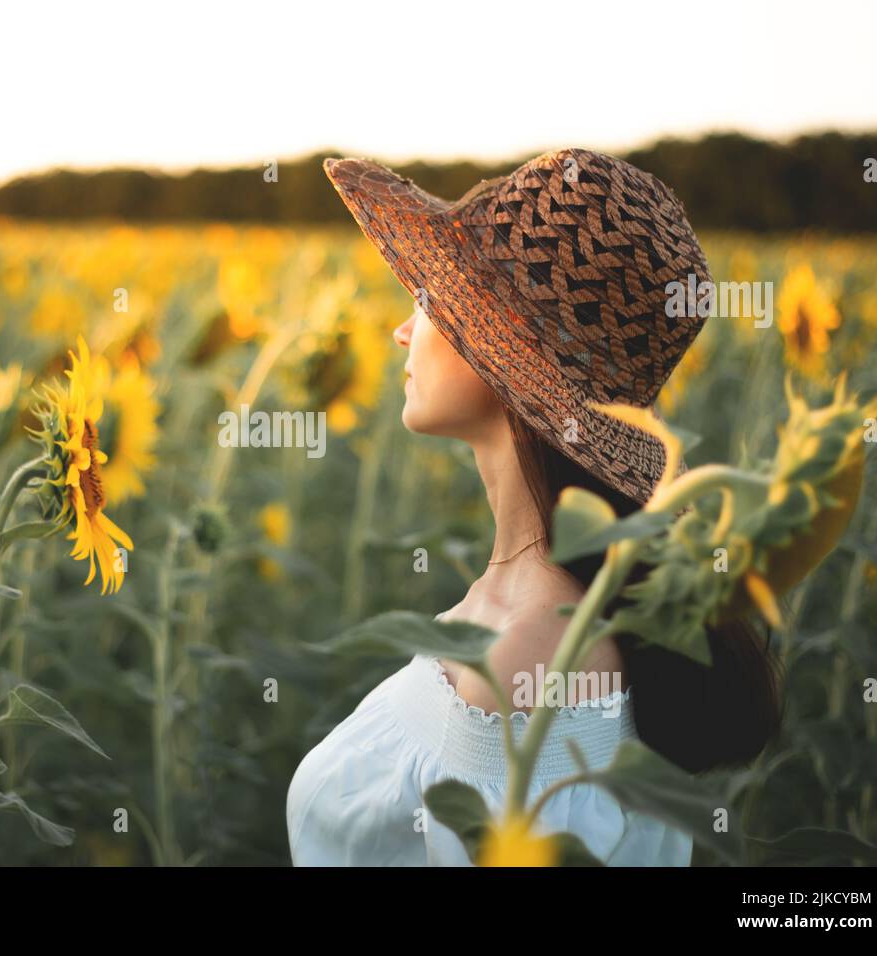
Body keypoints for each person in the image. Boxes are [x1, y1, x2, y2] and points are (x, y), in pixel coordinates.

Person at [286, 148, 782, 866]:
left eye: (428, 297)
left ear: (498, 345)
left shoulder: (528, 662)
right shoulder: (531, 615)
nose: (402, 329)